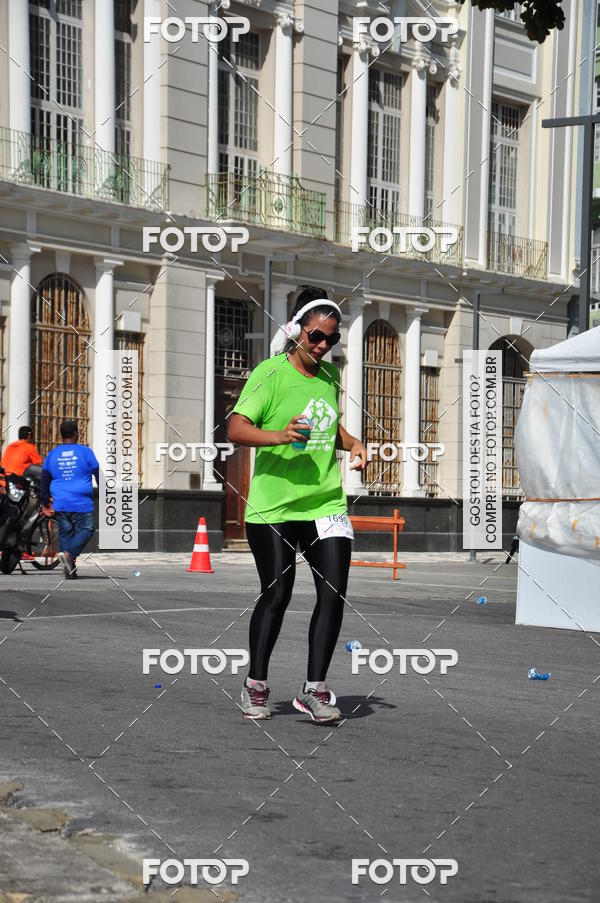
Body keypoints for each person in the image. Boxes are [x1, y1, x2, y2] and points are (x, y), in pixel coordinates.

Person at [227, 286, 368, 723]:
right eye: (316, 337)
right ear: (297, 332)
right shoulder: (269, 374)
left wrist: (354, 443)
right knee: (278, 594)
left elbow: (330, 427)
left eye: (332, 339)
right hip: (274, 507)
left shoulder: (329, 378)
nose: (323, 346)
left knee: (334, 593)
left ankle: (314, 689)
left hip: (325, 501)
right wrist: (279, 436)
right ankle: (256, 684)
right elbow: (235, 428)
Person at [40, 419, 100, 579]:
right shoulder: (86, 452)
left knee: (66, 534)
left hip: (61, 502)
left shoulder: (52, 454)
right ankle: (69, 555)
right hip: (82, 502)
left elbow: (44, 479)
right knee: (87, 530)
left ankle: (70, 570)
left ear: (61, 435)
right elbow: (97, 473)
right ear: (75, 433)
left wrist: (45, 502)